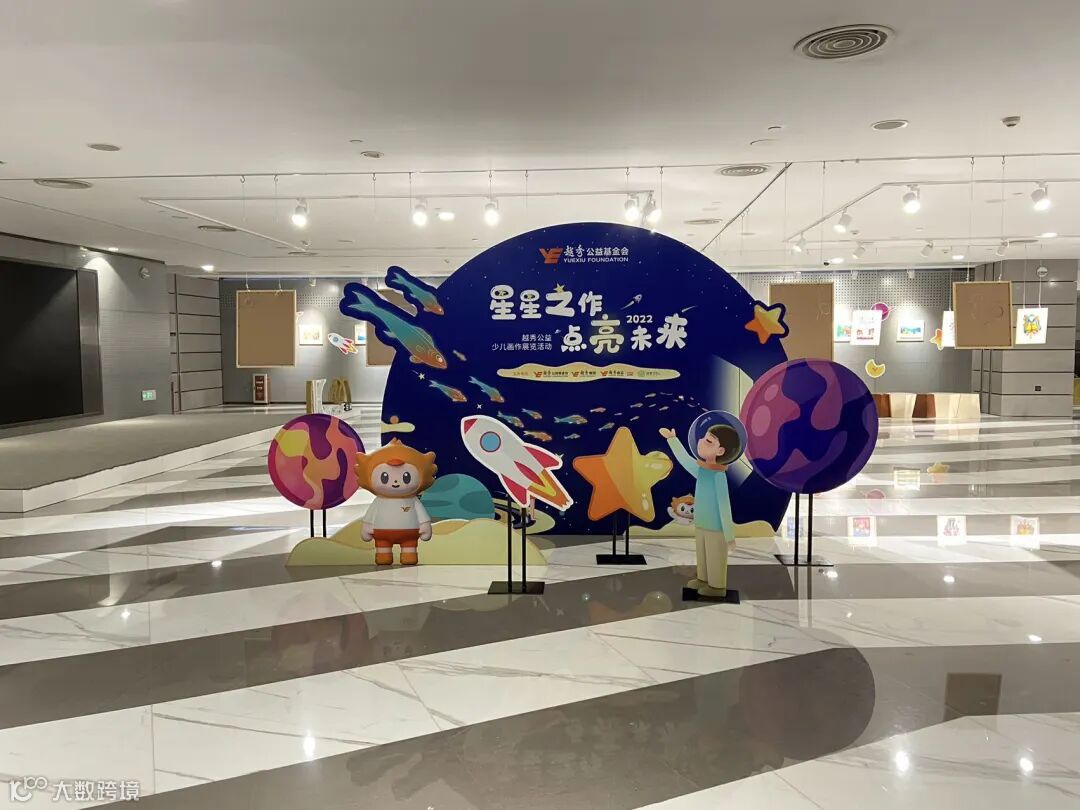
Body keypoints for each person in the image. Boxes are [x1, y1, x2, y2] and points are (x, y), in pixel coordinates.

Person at [660, 412, 745, 598]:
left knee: (715, 556)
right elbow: (684, 460)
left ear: (720, 451)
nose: (700, 441)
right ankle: (703, 579)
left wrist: (729, 535)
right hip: (701, 524)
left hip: (716, 527)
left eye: (708, 441)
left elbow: (724, 505)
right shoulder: (703, 470)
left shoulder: (718, 476)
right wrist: (673, 440)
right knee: (703, 554)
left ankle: (717, 586)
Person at [355, 439, 437, 565]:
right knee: (383, 553)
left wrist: (425, 526)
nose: (395, 482)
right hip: (382, 534)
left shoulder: (413, 501)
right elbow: (370, 516)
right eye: (384, 477)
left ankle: (409, 555)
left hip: (409, 534)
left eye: (406, 477)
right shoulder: (379, 502)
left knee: (409, 552)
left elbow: (422, 516)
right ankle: (383, 555)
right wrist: (367, 527)